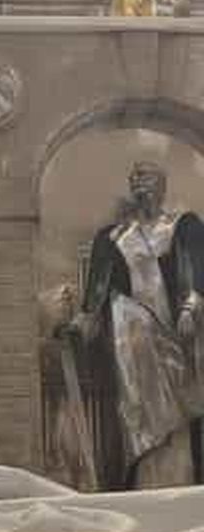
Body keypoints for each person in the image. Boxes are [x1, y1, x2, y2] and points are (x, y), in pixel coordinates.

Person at [70, 161, 204, 489]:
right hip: (132, 335)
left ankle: (182, 478)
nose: (138, 180)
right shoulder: (113, 237)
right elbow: (96, 295)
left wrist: (190, 308)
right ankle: (145, 480)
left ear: (162, 184)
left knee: (180, 407)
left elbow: (197, 273)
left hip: (178, 334)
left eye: (146, 175)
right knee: (139, 404)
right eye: (134, 176)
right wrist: (81, 322)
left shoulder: (183, 226)